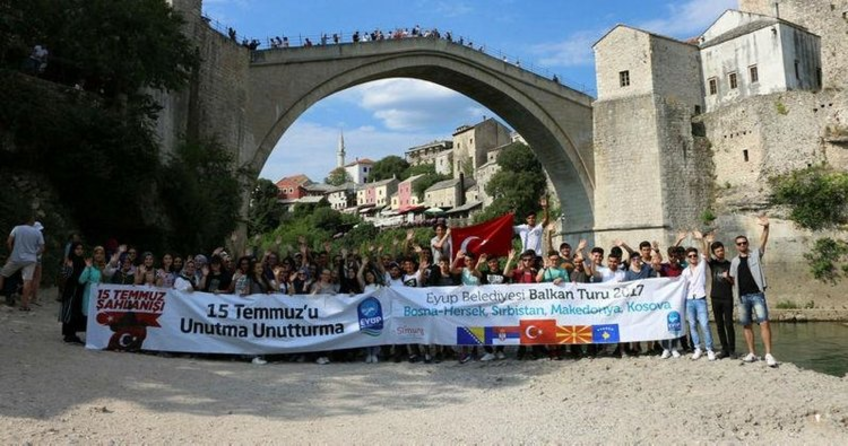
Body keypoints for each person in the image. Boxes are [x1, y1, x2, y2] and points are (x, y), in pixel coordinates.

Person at [730, 216, 777, 367]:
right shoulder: (734, 261)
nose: (742, 245)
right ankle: (752, 353)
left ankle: (768, 354)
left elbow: (763, 242)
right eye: (739, 244)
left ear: (747, 244)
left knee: (764, 323)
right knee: (746, 325)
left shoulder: (755, 254)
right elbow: (731, 277)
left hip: (757, 294)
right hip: (742, 297)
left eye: (744, 243)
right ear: (736, 246)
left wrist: (766, 227)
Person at [681, 231, 716, 361]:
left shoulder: (701, 266)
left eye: (694, 255)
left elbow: (705, 254)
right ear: (687, 258)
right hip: (689, 300)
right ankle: (697, 348)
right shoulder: (684, 272)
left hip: (700, 299)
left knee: (705, 324)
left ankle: (709, 349)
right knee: (692, 325)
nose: (693, 257)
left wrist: (702, 240)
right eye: (690, 256)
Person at [0, 216, 45, 311]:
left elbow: (9, 242)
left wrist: (12, 253)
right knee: (27, 281)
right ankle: (24, 304)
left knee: (2, 274)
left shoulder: (17, 228)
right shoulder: (38, 232)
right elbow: (42, 248)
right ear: (32, 222)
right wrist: (33, 253)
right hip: (31, 259)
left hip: (16, 258)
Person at [706, 234, 736, 359]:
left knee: (729, 323)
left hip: (727, 297)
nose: (720, 252)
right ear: (714, 253)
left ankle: (732, 350)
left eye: (722, 250)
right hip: (715, 297)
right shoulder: (713, 264)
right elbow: (706, 256)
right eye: (718, 251)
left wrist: (727, 277)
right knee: (719, 324)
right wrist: (707, 243)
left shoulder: (730, 264)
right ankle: (724, 349)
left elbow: (734, 282)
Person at [60, 242, 87, 343]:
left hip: (80, 290)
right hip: (71, 290)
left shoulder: (83, 262)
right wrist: (69, 268)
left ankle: (73, 333)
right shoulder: (69, 261)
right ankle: (68, 334)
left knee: (76, 311)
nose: (79, 251)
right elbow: (65, 276)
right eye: (77, 249)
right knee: (69, 311)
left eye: (81, 249)